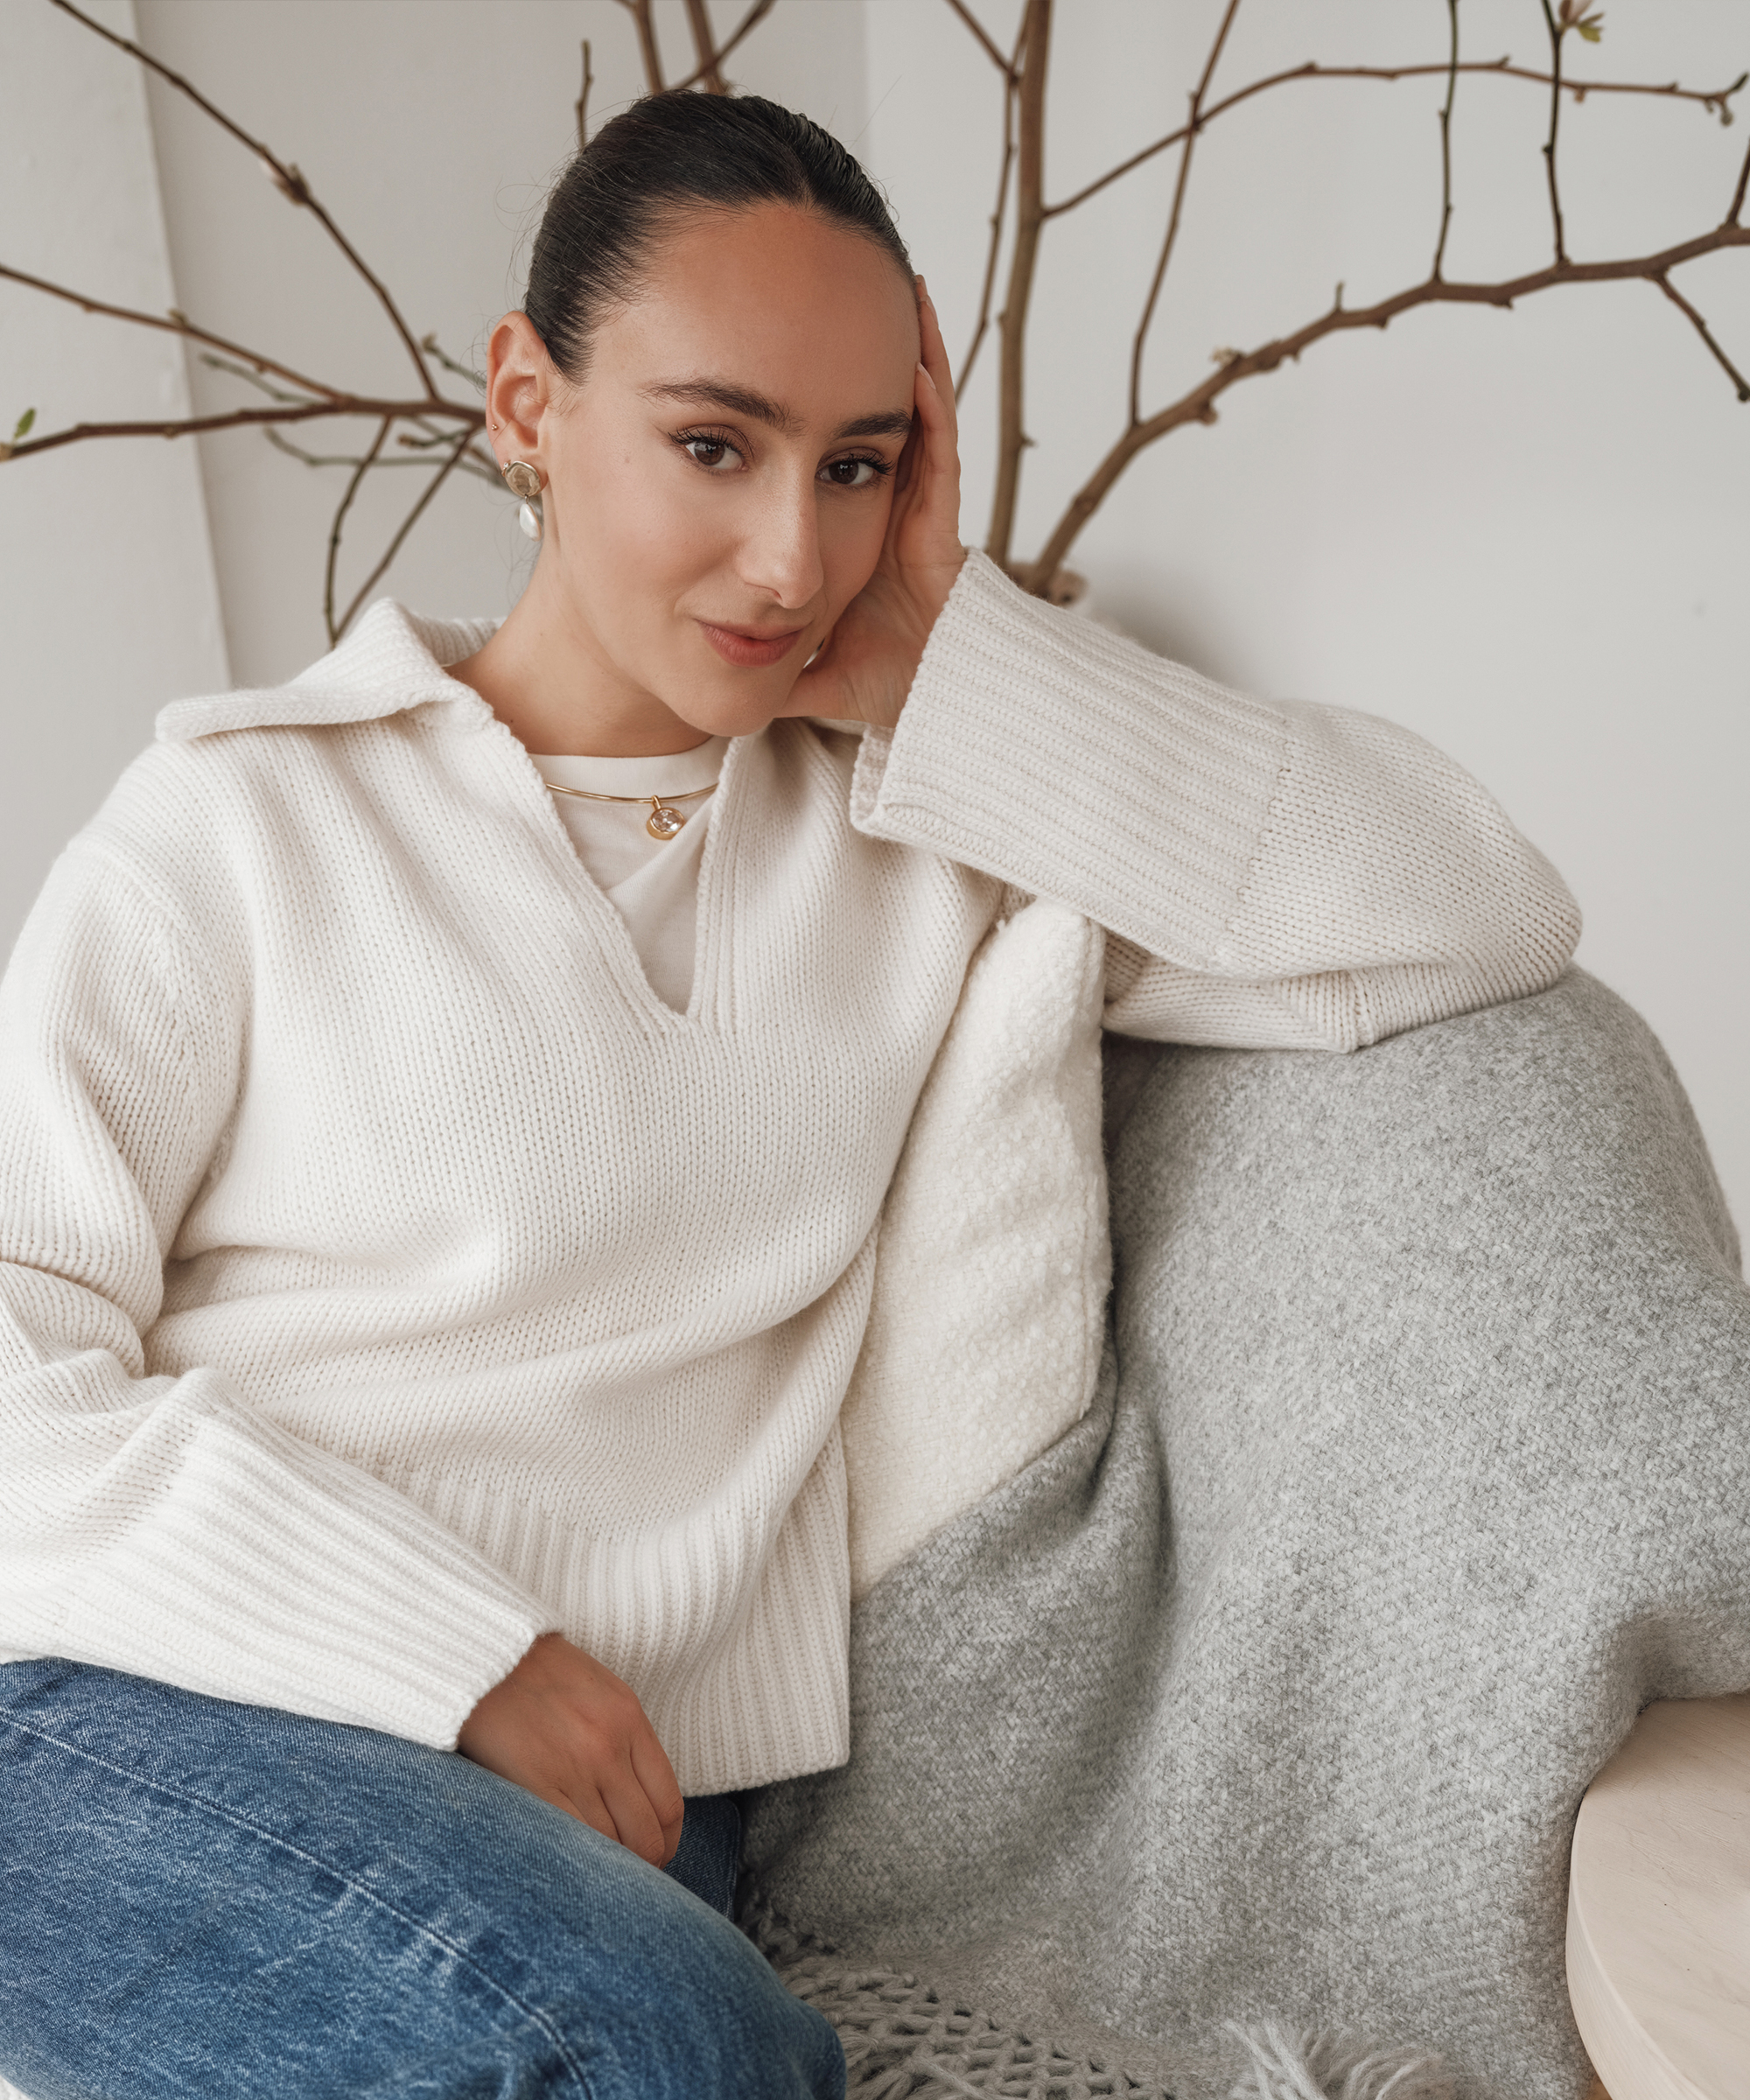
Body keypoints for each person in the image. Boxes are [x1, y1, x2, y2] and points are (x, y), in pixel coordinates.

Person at [0, 90, 1579, 2100]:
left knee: (688, 2049)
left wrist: (946, 671)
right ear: (524, 401)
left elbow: (1471, 913)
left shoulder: (932, 842)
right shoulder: (242, 817)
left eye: (860, 464)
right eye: (713, 446)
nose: (791, 554)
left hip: (624, 1820)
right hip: (151, 1710)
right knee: (670, 2057)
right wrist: (450, 1655)